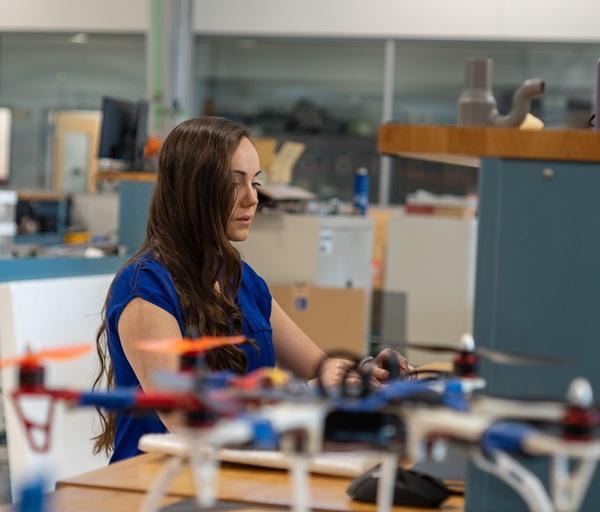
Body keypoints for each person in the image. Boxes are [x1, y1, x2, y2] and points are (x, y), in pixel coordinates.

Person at [92, 116, 409, 462]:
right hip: (153, 483)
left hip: (236, 473)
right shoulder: (146, 288)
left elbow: (318, 366)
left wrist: (361, 373)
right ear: (193, 188)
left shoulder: (240, 279)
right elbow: (186, 420)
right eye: (234, 183)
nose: (251, 199)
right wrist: (297, 398)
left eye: (255, 183)